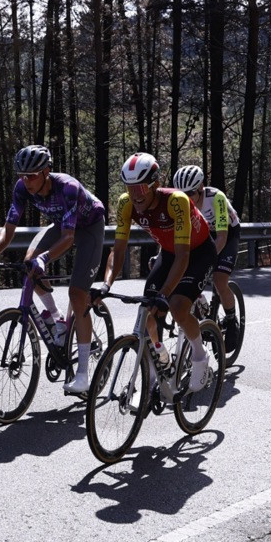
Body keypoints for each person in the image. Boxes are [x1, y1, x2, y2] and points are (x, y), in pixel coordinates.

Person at [0, 145, 107, 395]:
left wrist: (46, 258)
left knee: (78, 295)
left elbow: (69, 238)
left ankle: (83, 375)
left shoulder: (68, 187)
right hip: (62, 225)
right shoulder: (23, 188)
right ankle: (58, 321)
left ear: (46, 171)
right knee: (29, 264)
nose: (27, 181)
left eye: (32, 175)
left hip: (89, 226)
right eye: (22, 176)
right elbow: (9, 228)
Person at [94, 152, 217, 393]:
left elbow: (184, 256)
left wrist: (166, 293)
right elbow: (117, 251)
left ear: (156, 184)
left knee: (178, 307)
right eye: (130, 188)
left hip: (199, 252)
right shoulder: (125, 203)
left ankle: (201, 358)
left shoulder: (176, 201)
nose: (135, 194)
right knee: (147, 312)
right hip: (170, 252)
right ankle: (160, 360)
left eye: (141, 187)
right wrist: (105, 285)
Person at [171, 165, 243, 351]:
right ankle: (203, 313)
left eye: (191, 194)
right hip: (203, 234)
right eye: (182, 195)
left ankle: (231, 318)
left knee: (219, 280)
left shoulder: (216, 197)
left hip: (227, 233)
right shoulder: (179, 202)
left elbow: (222, 237)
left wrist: (207, 262)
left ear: (201, 187)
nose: (187, 200)